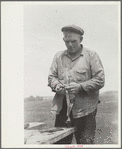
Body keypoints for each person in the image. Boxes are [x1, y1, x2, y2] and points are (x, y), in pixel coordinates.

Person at [48, 25, 105, 144]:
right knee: (60, 144)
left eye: (73, 41)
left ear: (81, 40)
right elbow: (51, 77)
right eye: (66, 41)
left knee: (85, 144)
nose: (70, 45)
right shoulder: (58, 56)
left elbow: (100, 79)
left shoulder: (91, 55)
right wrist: (57, 85)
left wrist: (80, 87)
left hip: (86, 111)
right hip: (63, 110)